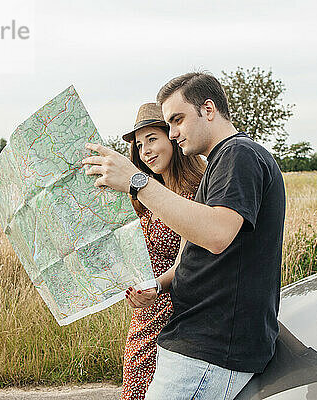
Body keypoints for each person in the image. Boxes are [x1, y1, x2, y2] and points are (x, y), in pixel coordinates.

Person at [83, 72, 286, 400]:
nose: (173, 133)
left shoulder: (239, 154)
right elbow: (194, 251)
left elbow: (218, 234)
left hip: (210, 347)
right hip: (196, 341)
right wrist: (157, 285)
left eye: (177, 120)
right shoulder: (223, 162)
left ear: (208, 109)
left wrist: (137, 181)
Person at [119, 103, 205, 400]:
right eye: (140, 145)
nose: (145, 151)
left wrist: (155, 287)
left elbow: (186, 260)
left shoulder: (193, 191)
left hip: (178, 313)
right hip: (146, 311)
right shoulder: (149, 195)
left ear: (172, 137)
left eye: (152, 139)